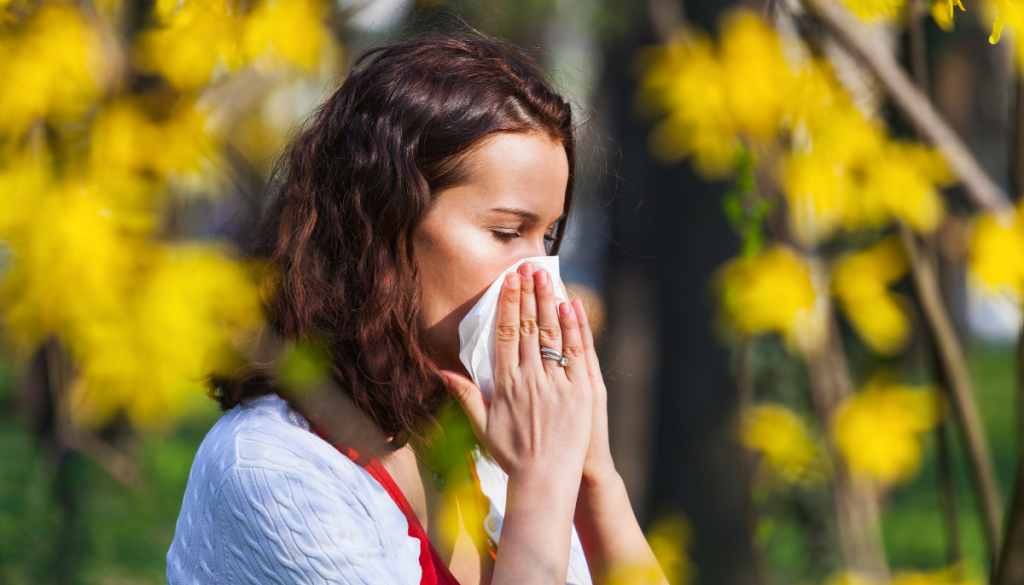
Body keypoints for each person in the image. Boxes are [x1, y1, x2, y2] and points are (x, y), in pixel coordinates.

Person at [166, 33, 667, 585]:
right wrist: (544, 481)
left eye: (546, 239)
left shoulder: (490, 445)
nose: (542, 280)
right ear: (383, 225)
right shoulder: (274, 469)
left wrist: (592, 475)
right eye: (507, 232)